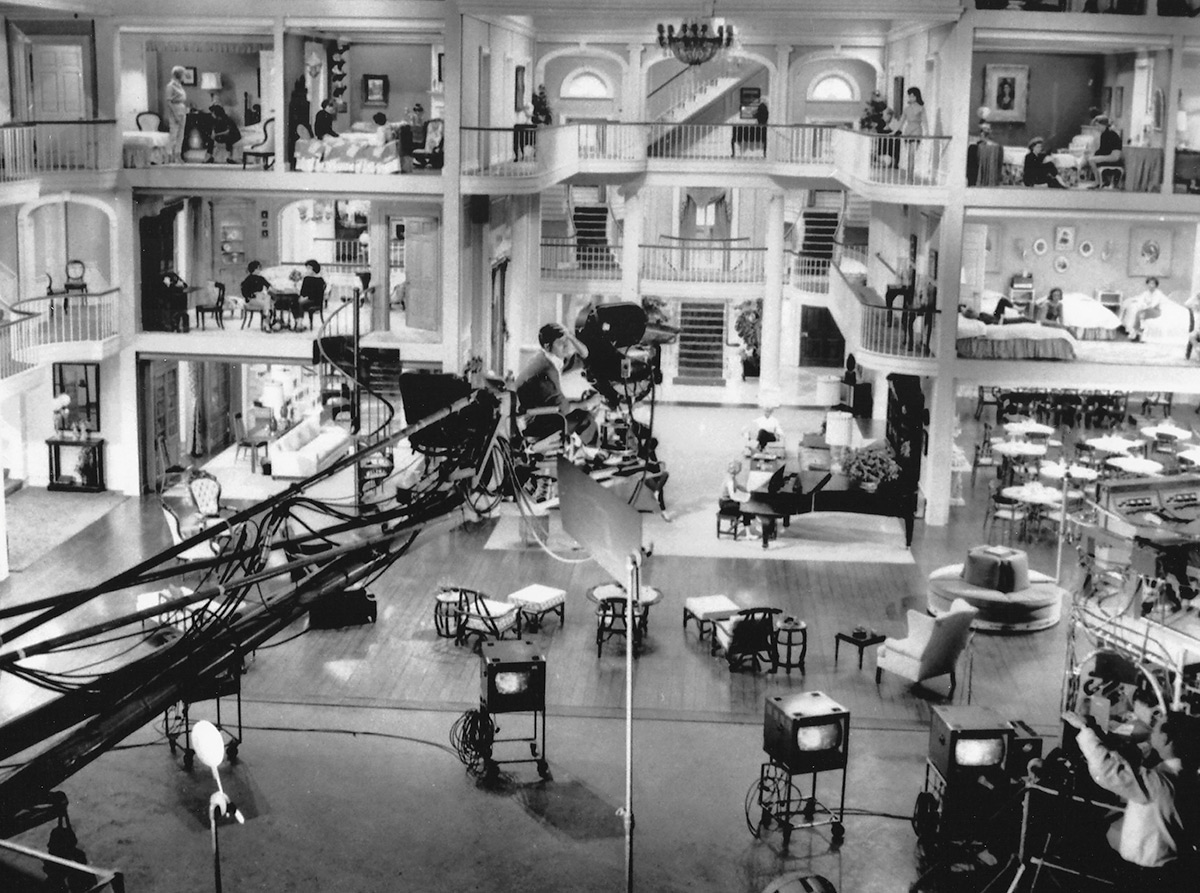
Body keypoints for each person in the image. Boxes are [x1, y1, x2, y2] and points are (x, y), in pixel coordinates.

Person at [1062, 709, 1198, 891]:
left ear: (1166, 739)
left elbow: (1109, 770)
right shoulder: (1185, 777)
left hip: (1146, 877)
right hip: (1169, 871)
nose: (1151, 732)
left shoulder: (1158, 783)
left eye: (1156, 729)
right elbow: (1126, 763)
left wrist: (1085, 730)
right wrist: (1095, 730)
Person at [515, 322, 600, 446]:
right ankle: (594, 453)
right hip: (535, 423)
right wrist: (588, 403)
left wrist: (570, 335)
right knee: (585, 417)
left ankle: (582, 447)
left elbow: (585, 355)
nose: (566, 345)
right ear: (547, 346)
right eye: (560, 343)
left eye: (566, 341)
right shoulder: (547, 372)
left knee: (581, 405)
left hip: (540, 411)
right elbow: (563, 409)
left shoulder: (546, 358)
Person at [1118, 276, 1167, 342]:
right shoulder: (1146, 293)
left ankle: (1138, 332)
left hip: (1155, 311)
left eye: (1153, 284)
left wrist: (1144, 306)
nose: (1151, 285)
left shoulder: (1158, 293)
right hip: (1147, 310)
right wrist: (1135, 301)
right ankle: (1136, 333)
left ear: (1156, 285)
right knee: (1137, 313)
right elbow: (1140, 299)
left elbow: (1152, 305)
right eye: (1149, 283)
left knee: (1140, 315)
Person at [894, 87, 926, 179]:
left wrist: (927, 132)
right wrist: (896, 130)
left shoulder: (921, 108)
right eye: (910, 96)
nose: (911, 98)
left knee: (912, 154)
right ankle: (909, 175)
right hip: (908, 131)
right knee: (909, 154)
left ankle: (910, 176)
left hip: (917, 130)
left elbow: (925, 121)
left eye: (913, 96)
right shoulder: (906, 109)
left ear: (917, 97)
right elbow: (901, 121)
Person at [719, 460, 759, 534]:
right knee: (746, 508)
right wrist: (743, 500)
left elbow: (738, 486)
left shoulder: (731, 477)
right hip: (725, 504)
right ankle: (748, 534)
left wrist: (748, 491)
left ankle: (751, 524)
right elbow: (732, 496)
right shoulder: (730, 480)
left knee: (746, 506)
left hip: (726, 502)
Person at [1086, 114, 1124, 185]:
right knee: (1092, 158)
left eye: (1098, 125)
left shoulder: (1110, 134)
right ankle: (1102, 180)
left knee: (1091, 160)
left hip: (1113, 156)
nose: (1097, 128)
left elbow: (1107, 150)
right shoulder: (1105, 134)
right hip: (1110, 155)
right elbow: (1103, 149)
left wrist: (1096, 155)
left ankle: (1097, 181)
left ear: (1103, 125)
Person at [165, 65, 189, 162]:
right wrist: (175, 114)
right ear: (178, 74)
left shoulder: (179, 85)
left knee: (181, 134)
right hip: (175, 110)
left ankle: (178, 155)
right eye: (183, 75)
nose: (184, 77)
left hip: (182, 109)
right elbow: (169, 102)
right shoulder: (170, 86)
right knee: (173, 134)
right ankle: (169, 156)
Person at [240, 261, 271, 330]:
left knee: (268, 300)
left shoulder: (261, 278)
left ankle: (268, 321)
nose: (260, 269)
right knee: (267, 304)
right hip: (252, 299)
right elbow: (244, 290)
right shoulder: (248, 279)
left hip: (261, 297)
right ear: (254, 269)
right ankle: (266, 323)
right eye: (258, 268)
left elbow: (268, 286)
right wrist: (249, 296)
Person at [298, 259, 326, 331]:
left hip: (314, 300)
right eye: (307, 268)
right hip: (306, 298)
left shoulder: (320, 280)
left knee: (300, 303)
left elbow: (317, 294)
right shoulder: (306, 278)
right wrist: (302, 297)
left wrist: (306, 298)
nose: (307, 270)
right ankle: (297, 321)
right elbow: (302, 291)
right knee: (295, 301)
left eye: (309, 268)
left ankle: (299, 323)